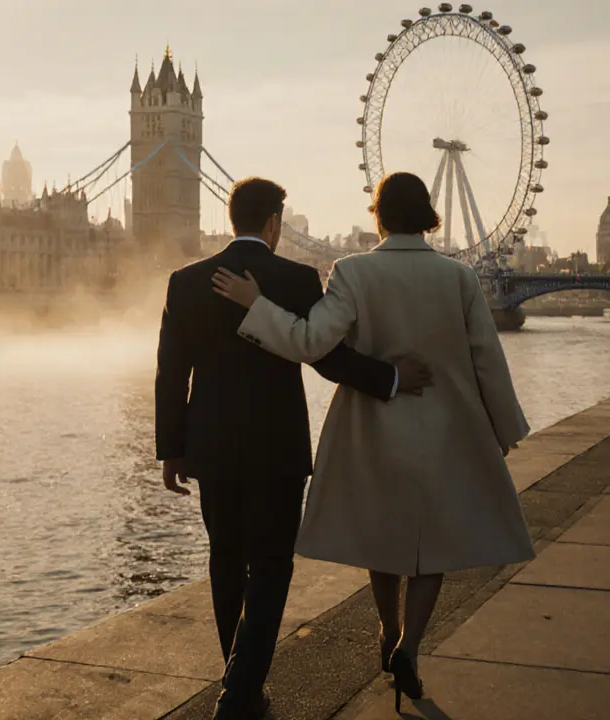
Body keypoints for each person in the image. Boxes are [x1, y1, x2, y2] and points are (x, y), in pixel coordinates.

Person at [211, 172, 534, 713]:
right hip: (447, 427)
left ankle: (387, 628)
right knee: (434, 546)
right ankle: (410, 646)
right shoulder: (459, 277)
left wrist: (256, 306)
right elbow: (487, 360)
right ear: (428, 214)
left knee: (383, 536)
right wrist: (504, 429)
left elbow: (311, 341)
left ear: (378, 215)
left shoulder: (352, 272)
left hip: (375, 427)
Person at [155, 177, 432, 720]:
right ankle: (239, 692)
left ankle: (242, 680)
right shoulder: (296, 278)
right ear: (275, 224)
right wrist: (390, 377)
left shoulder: (184, 282)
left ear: (233, 218)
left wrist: (172, 449)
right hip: (277, 451)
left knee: (225, 561)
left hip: (210, 450)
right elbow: (327, 357)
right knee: (272, 564)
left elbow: (171, 373)